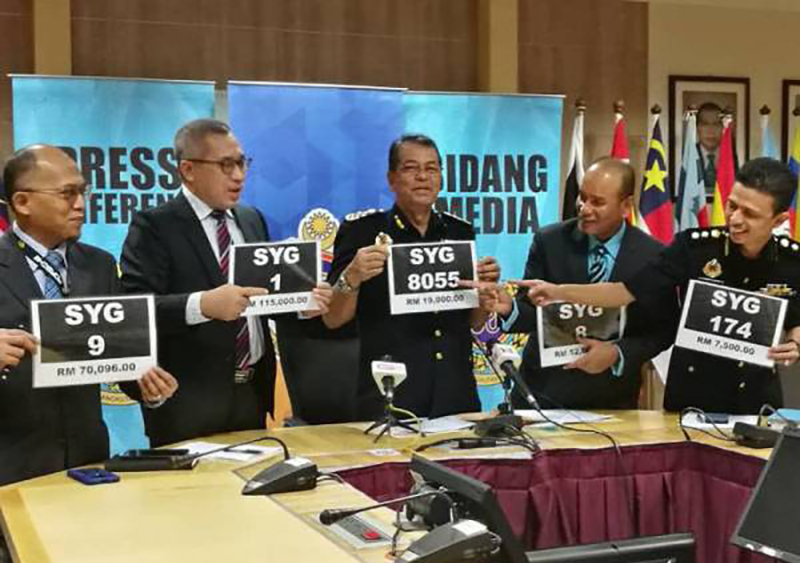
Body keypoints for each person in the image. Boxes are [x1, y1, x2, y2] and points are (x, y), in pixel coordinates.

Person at [525, 157, 800, 414]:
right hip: (693, 400)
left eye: (750, 214)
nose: (735, 219)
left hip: (756, 401)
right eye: (732, 205)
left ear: (778, 220)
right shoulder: (694, 248)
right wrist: (558, 291)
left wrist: (795, 343)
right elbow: (624, 291)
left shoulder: (793, 262)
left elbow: (797, 320)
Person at [120, 119, 331, 446]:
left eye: (242, 163)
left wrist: (303, 304)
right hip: (188, 403)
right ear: (188, 170)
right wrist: (202, 305)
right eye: (226, 165)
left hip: (252, 395)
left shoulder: (251, 219)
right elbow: (135, 309)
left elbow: (262, 297)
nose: (239, 175)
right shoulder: (154, 226)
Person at [0, 145, 177, 485]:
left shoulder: (99, 265)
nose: (81, 204)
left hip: (87, 463)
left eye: (83, 191)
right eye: (67, 194)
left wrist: (147, 386)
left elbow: (116, 360)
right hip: (11, 467)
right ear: (22, 202)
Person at [323, 134, 500, 420]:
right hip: (392, 396)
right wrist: (352, 276)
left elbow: (474, 321)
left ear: (441, 177)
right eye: (410, 168)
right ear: (391, 179)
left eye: (431, 169)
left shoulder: (459, 231)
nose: (422, 177)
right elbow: (332, 319)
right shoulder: (362, 232)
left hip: (456, 394)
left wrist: (484, 294)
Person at [493, 158, 677, 410]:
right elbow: (530, 312)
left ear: (626, 206)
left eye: (597, 202)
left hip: (612, 400)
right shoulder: (550, 241)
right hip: (543, 394)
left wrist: (617, 354)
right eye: (583, 197)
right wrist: (510, 309)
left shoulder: (653, 256)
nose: (584, 208)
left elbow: (662, 330)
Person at [696, 102, 723, 198]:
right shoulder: (687, 156)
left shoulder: (732, 156)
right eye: (705, 124)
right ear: (697, 128)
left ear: (723, 128)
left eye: (716, 124)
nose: (711, 130)